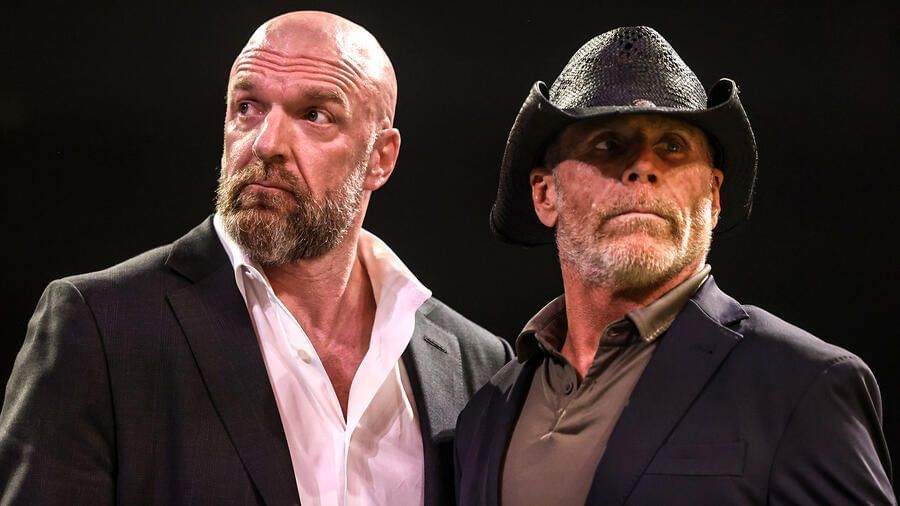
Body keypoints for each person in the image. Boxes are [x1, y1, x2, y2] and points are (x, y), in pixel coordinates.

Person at [0, 11, 511, 506]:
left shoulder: (478, 364)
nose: (266, 144)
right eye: (247, 107)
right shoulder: (100, 327)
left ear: (381, 158)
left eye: (314, 115)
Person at [455, 26, 894, 505]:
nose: (643, 166)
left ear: (714, 195)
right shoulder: (486, 413)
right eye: (608, 144)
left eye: (672, 146)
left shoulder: (802, 385)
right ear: (545, 195)